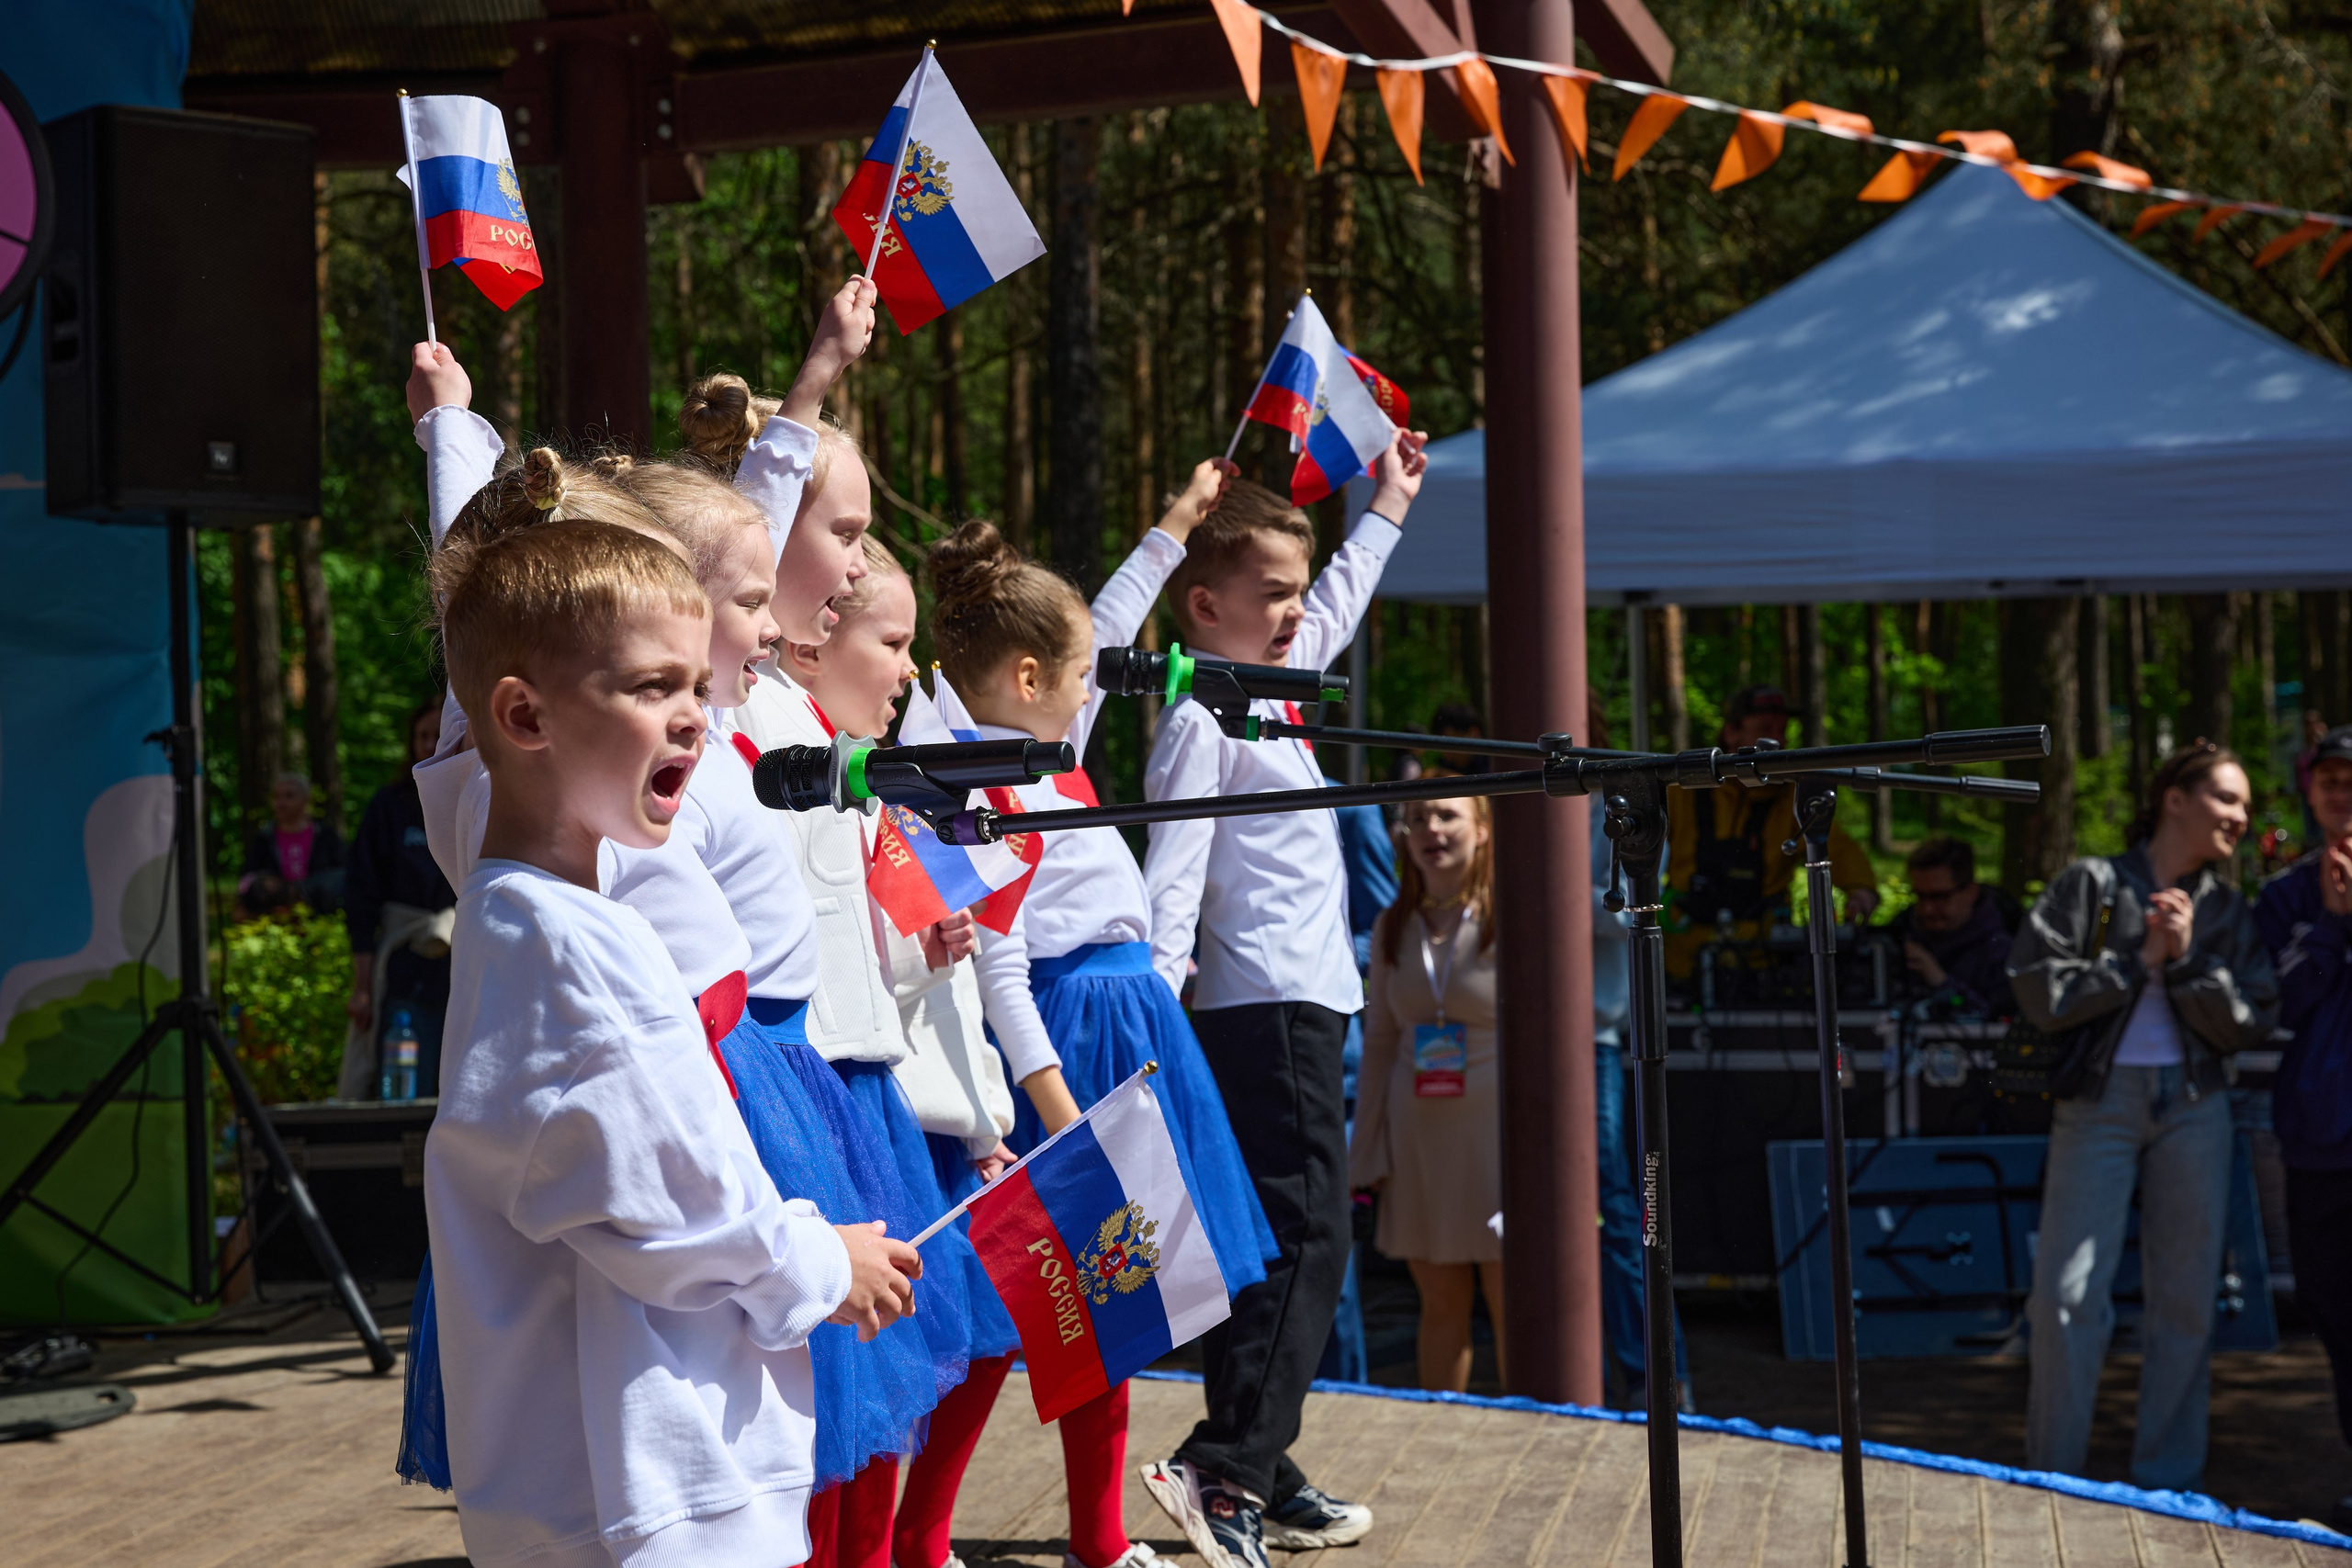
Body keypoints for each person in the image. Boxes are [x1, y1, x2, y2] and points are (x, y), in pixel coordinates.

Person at [423, 517, 922, 1568]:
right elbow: (673, 1212)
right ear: (524, 715)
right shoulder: (564, 947)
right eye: (652, 689)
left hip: (632, 1492)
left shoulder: (543, 919)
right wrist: (821, 1262)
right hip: (645, 1498)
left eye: (698, 686)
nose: (695, 718)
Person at [926, 468, 1273, 1568]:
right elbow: (1001, 969)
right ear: (1026, 678)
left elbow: (1103, 622)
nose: (1097, 691)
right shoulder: (988, 796)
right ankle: (918, 1539)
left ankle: (1098, 1535)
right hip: (1073, 1060)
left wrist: (1175, 525)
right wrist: (1062, 1109)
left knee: (1120, 1310)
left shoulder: (1048, 752)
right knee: (1011, 1311)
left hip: (1133, 1035)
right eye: (1079, 679)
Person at [1140, 429, 1428, 1568]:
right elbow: (1173, 879)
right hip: (1261, 1010)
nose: (1297, 612)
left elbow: (1340, 599)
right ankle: (1224, 1469)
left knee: (1276, 1242)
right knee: (1308, 1239)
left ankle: (1266, 1461)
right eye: (1270, 595)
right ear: (1202, 604)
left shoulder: (1272, 690)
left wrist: (1392, 500)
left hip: (1307, 1003)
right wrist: (1156, 1023)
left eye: (1298, 592)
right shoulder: (1201, 719)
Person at [2009, 740, 2280, 1492]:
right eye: (2228, 798)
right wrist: (2140, 960)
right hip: (2098, 1106)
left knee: (2188, 1298)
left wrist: (2190, 960)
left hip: (2196, 1106)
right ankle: (2052, 1475)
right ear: (2176, 799)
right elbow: (2038, 988)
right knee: (2065, 1297)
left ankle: (2167, 1482)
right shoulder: (2090, 883)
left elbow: (2250, 1019)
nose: (2241, 816)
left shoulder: (2226, 908)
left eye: (2246, 805)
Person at [1349, 786, 1502, 1393]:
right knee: (1438, 1302)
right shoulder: (1393, 925)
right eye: (1418, 818)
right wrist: (1366, 1150)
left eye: (1447, 815)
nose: (1431, 828)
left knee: (1510, 1297)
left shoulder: (1509, 913)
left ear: (1483, 829)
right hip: (1418, 1142)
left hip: (1496, 1140)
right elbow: (1380, 1041)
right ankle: (1447, 1439)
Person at [2254, 723, 2352, 1531]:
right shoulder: (2285, 893)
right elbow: (2277, 1004)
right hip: (2322, 1136)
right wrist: (2330, 919)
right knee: (2332, 1307)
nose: (2342, 789)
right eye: (2330, 778)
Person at [1585, 694, 1690, 1412]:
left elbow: (1636, 910)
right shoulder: (1505, 795)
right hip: (1499, 1042)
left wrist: (1559, 897)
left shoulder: (1621, 797)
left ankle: (1658, 1373)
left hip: (1590, 1038)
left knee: (1620, 1210)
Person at [1663, 684, 1875, 981]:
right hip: (1683, 957)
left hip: (1764, 960)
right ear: (1732, 733)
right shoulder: (1684, 789)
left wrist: (1861, 889)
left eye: (1782, 730)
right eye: (1766, 729)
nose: (1779, 739)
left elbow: (1833, 844)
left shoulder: (1792, 797)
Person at [340, 701, 458, 1100]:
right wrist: (361, 988)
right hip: (404, 976)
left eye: (436, 736)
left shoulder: (476, 801)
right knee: (406, 1095)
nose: (428, 745)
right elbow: (361, 900)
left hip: (463, 973)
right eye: (420, 737)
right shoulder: (388, 808)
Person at [1883, 837, 2020, 1015]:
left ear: (1971, 892)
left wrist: (1942, 984)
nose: (1927, 909)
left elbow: (2003, 1023)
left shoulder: (2004, 950)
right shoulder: (1899, 935)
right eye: (1920, 896)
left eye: (1939, 897)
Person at [243, 770, 345, 914]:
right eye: (276, 797)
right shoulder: (264, 838)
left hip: (320, 915)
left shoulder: (325, 836)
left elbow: (342, 874)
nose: (281, 803)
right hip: (273, 917)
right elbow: (248, 877)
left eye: (289, 796)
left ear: (306, 800)